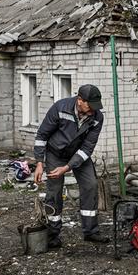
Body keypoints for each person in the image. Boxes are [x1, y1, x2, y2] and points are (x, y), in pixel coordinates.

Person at [33, 84, 108, 248]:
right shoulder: (60, 108)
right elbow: (42, 135)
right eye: (90, 105)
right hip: (55, 153)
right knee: (54, 190)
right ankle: (52, 234)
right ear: (80, 100)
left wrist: (67, 167)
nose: (93, 110)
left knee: (91, 185)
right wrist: (39, 162)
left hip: (78, 154)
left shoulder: (97, 117)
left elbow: (87, 147)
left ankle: (91, 232)